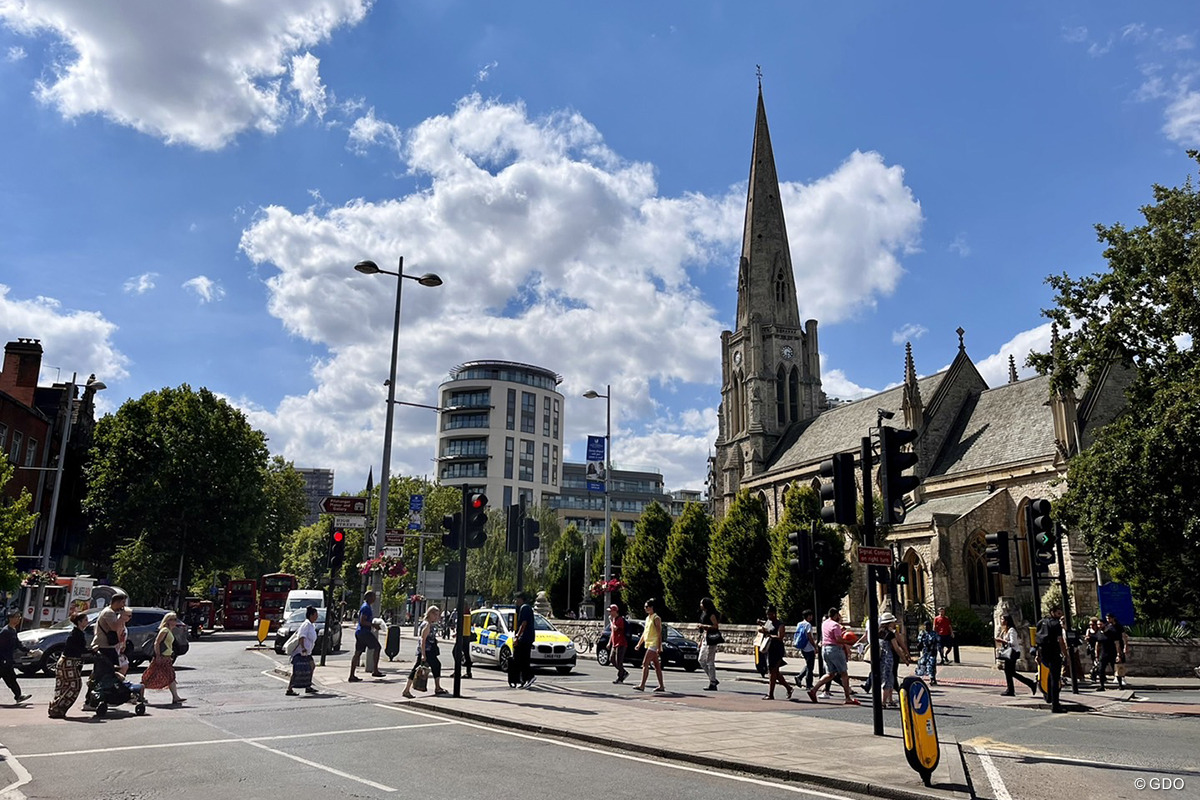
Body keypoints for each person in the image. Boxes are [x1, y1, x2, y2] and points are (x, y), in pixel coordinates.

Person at [807, 607, 860, 705]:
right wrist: (850, 642)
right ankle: (848, 697)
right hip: (835, 649)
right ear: (835, 615)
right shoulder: (835, 625)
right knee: (844, 673)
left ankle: (813, 690)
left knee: (830, 673)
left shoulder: (825, 623)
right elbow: (839, 639)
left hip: (825, 649)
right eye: (838, 615)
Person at [48, 610, 90, 717]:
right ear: (79, 622)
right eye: (85, 620)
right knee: (74, 685)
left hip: (66, 662)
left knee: (64, 686)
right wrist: (92, 650)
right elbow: (78, 649)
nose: (87, 621)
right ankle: (56, 706)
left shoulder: (78, 633)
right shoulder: (76, 634)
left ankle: (57, 709)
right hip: (68, 662)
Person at [141, 612, 186, 705]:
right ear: (168, 621)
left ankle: (175, 697)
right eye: (173, 619)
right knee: (150, 676)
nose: (175, 621)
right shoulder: (164, 630)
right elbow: (157, 643)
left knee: (170, 676)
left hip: (167, 657)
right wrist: (158, 656)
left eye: (175, 619)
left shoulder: (169, 631)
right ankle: (139, 693)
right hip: (162, 657)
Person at [403, 606, 446, 698]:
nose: (437, 617)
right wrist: (423, 654)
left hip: (428, 650)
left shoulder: (428, 624)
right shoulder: (426, 625)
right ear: (430, 614)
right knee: (418, 669)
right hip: (426, 651)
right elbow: (422, 640)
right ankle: (406, 690)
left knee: (435, 665)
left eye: (438, 615)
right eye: (435, 615)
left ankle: (437, 687)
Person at [1036, 605, 1069, 712]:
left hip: (1043, 653)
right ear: (1052, 612)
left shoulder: (1041, 622)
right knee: (1055, 678)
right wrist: (1065, 654)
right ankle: (1055, 704)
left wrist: (1037, 654)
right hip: (1054, 652)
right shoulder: (1056, 624)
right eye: (1058, 613)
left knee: (1047, 676)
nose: (1060, 616)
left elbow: (1037, 640)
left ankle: (1049, 697)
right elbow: (1061, 641)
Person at [995, 614, 1037, 696]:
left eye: (1002, 619)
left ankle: (1029, 683)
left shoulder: (1012, 630)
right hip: (1009, 653)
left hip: (1013, 653)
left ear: (1007, 621)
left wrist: (1003, 641)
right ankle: (1011, 689)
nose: (1001, 621)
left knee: (1010, 672)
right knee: (1009, 672)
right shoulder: (1005, 630)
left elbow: (1013, 643)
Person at [759, 605, 794, 701]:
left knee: (772, 671)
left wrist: (770, 636)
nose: (768, 616)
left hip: (777, 650)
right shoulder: (768, 622)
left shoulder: (780, 624)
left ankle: (770, 694)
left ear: (774, 614)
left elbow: (780, 637)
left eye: (770, 614)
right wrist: (762, 629)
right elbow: (766, 630)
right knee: (775, 672)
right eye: (767, 614)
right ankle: (789, 688)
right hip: (769, 649)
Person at [1, 610, 36, 705]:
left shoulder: (13, 630)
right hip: (3, 661)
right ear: (10, 618)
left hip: (7, 661)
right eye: (17, 617)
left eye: (19, 617)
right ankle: (18, 696)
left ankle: (18, 696)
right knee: (11, 678)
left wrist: (29, 651)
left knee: (11, 679)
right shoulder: (5, 632)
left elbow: (18, 644)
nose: (19, 619)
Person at [349, 591, 383, 682]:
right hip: (364, 632)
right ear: (369, 598)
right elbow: (362, 621)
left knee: (358, 653)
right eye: (373, 596)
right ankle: (375, 670)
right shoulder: (366, 607)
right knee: (377, 647)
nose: (375, 598)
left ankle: (351, 675)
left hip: (360, 632)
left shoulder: (365, 606)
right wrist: (373, 625)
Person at [632, 598, 665, 693]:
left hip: (654, 644)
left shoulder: (656, 618)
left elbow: (659, 633)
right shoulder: (647, 618)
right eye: (645, 607)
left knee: (645, 663)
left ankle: (642, 685)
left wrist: (659, 646)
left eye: (647, 607)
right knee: (657, 666)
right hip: (649, 643)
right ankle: (661, 686)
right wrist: (639, 644)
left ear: (652, 607)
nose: (645, 608)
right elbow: (645, 633)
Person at [877, 612, 909, 708]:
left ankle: (889, 700)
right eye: (893, 622)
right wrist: (904, 659)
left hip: (880, 658)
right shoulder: (889, 634)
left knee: (889, 678)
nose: (894, 623)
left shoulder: (878, 632)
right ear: (889, 623)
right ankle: (883, 702)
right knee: (887, 680)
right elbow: (896, 648)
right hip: (888, 658)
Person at [286, 606, 320, 696]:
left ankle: (308, 686)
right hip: (301, 652)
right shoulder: (306, 624)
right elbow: (301, 637)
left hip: (307, 652)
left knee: (312, 666)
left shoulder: (311, 625)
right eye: (316, 614)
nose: (317, 616)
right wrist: (303, 647)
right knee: (296, 671)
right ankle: (289, 689)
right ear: (311, 615)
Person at [92, 592, 127, 670]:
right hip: (104, 646)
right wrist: (122, 616)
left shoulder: (112, 612)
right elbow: (114, 627)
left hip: (108, 646)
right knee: (107, 670)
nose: (124, 605)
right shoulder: (109, 613)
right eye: (123, 602)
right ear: (117, 602)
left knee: (104, 670)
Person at [510, 591, 536, 689]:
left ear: (521, 599)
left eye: (516, 599)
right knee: (522, 658)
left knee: (521, 659)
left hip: (524, 638)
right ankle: (524, 679)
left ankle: (529, 677)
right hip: (527, 637)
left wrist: (517, 636)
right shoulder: (527, 608)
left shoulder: (524, 608)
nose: (515, 601)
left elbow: (523, 623)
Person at [697, 598, 722, 691]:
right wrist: (700, 641)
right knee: (701, 660)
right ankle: (713, 679)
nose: (700, 605)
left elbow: (715, 626)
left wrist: (703, 626)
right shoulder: (704, 613)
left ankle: (712, 683)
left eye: (701, 603)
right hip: (705, 638)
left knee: (710, 661)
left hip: (711, 639)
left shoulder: (711, 614)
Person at [792, 609, 817, 691]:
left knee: (808, 664)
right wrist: (815, 646)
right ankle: (809, 684)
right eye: (810, 615)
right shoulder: (808, 625)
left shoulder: (799, 624)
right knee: (810, 667)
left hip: (802, 647)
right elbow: (809, 636)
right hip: (809, 648)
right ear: (808, 616)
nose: (811, 617)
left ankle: (799, 677)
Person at [1107, 612, 1130, 689]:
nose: (1108, 620)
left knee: (1121, 662)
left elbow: (1124, 636)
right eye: (1107, 618)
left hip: (1119, 645)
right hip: (1111, 646)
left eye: (1109, 618)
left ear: (1113, 618)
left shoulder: (1119, 626)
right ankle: (1116, 676)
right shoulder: (1108, 627)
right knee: (1113, 662)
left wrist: (1126, 646)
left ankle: (1122, 677)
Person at [608, 603, 629, 685]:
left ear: (615, 611)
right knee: (612, 659)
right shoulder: (614, 620)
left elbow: (616, 629)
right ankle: (623, 672)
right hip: (614, 643)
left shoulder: (619, 619)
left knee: (618, 661)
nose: (609, 613)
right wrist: (609, 643)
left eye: (610, 611)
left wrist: (610, 621)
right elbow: (612, 633)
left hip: (621, 643)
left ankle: (620, 677)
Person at [915, 620, 939, 686]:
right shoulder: (922, 633)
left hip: (932, 651)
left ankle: (932, 678)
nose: (926, 627)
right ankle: (920, 678)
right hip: (925, 651)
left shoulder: (934, 633)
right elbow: (919, 641)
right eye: (925, 626)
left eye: (928, 626)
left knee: (931, 664)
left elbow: (938, 640)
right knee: (922, 664)